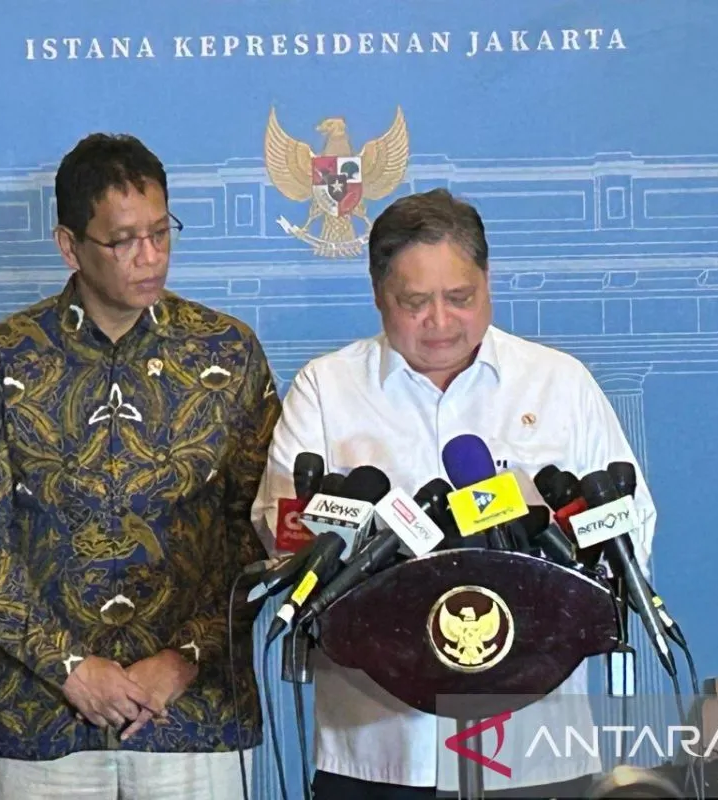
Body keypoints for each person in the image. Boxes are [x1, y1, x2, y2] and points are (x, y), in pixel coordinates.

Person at [250, 188, 657, 799]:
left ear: (488, 282)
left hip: (534, 748)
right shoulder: (327, 389)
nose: (439, 322)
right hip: (379, 751)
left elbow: (631, 532)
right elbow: (286, 539)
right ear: (377, 295)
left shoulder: (559, 384)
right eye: (414, 302)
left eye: (459, 298)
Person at [0, 132, 281, 799]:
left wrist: (183, 659)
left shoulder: (228, 353)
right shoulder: (0, 360)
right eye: (124, 241)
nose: (150, 257)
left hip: (194, 715)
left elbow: (258, 533)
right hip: (43, 716)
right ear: (70, 246)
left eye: (160, 233)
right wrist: (68, 666)